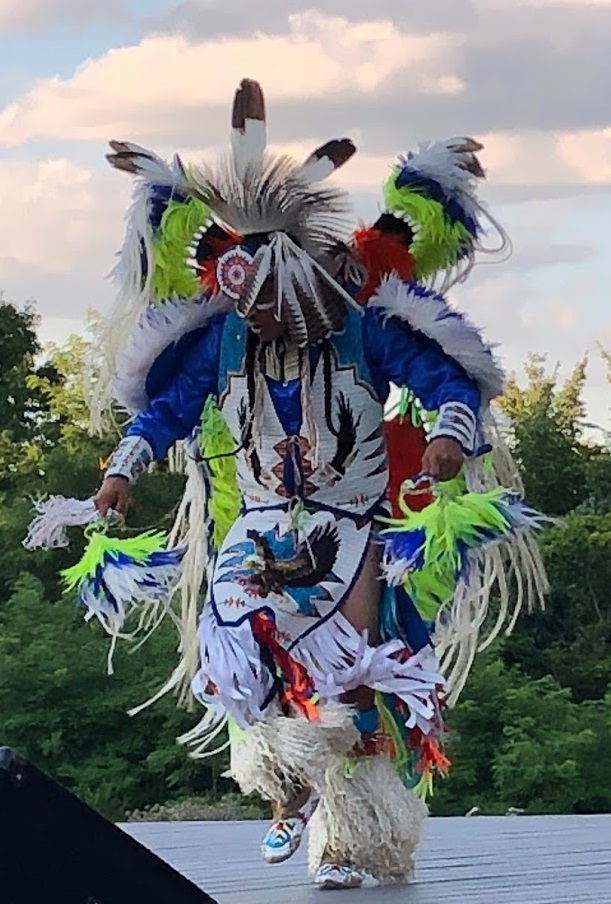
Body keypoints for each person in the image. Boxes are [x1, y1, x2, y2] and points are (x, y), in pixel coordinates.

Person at [36, 80, 546, 891]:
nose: (266, 321)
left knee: (350, 675)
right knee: (239, 659)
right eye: (252, 308)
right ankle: (284, 789)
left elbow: (449, 385)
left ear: (306, 289)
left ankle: (349, 841)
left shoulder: (363, 332)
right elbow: (164, 412)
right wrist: (119, 475)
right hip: (259, 524)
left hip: (350, 527)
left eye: (278, 308)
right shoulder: (224, 340)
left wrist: (448, 441)